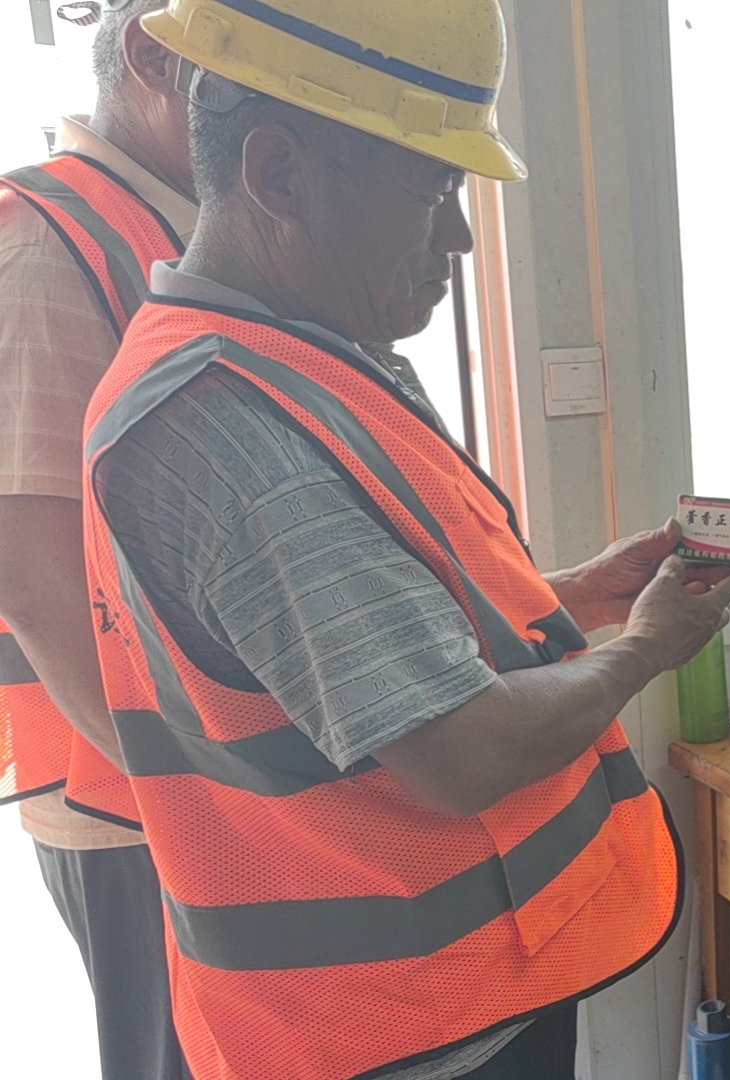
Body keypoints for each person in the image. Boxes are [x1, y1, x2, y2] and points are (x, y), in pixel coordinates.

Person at [75, 1, 730, 1077]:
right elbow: (459, 751)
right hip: (387, 1030)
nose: (459, 239)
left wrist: (580, 595)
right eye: (432, 191)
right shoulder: (226, 425)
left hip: (454, 999)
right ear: (279, 173)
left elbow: (378, 637)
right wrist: (645, 649)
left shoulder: (294, 362)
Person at [0, 2, 194, 1076]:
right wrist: (195, 790)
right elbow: (32, 577)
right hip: (130, 799)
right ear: (153, 57)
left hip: (198, 774)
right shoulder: (45, 240)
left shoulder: (168, 228)